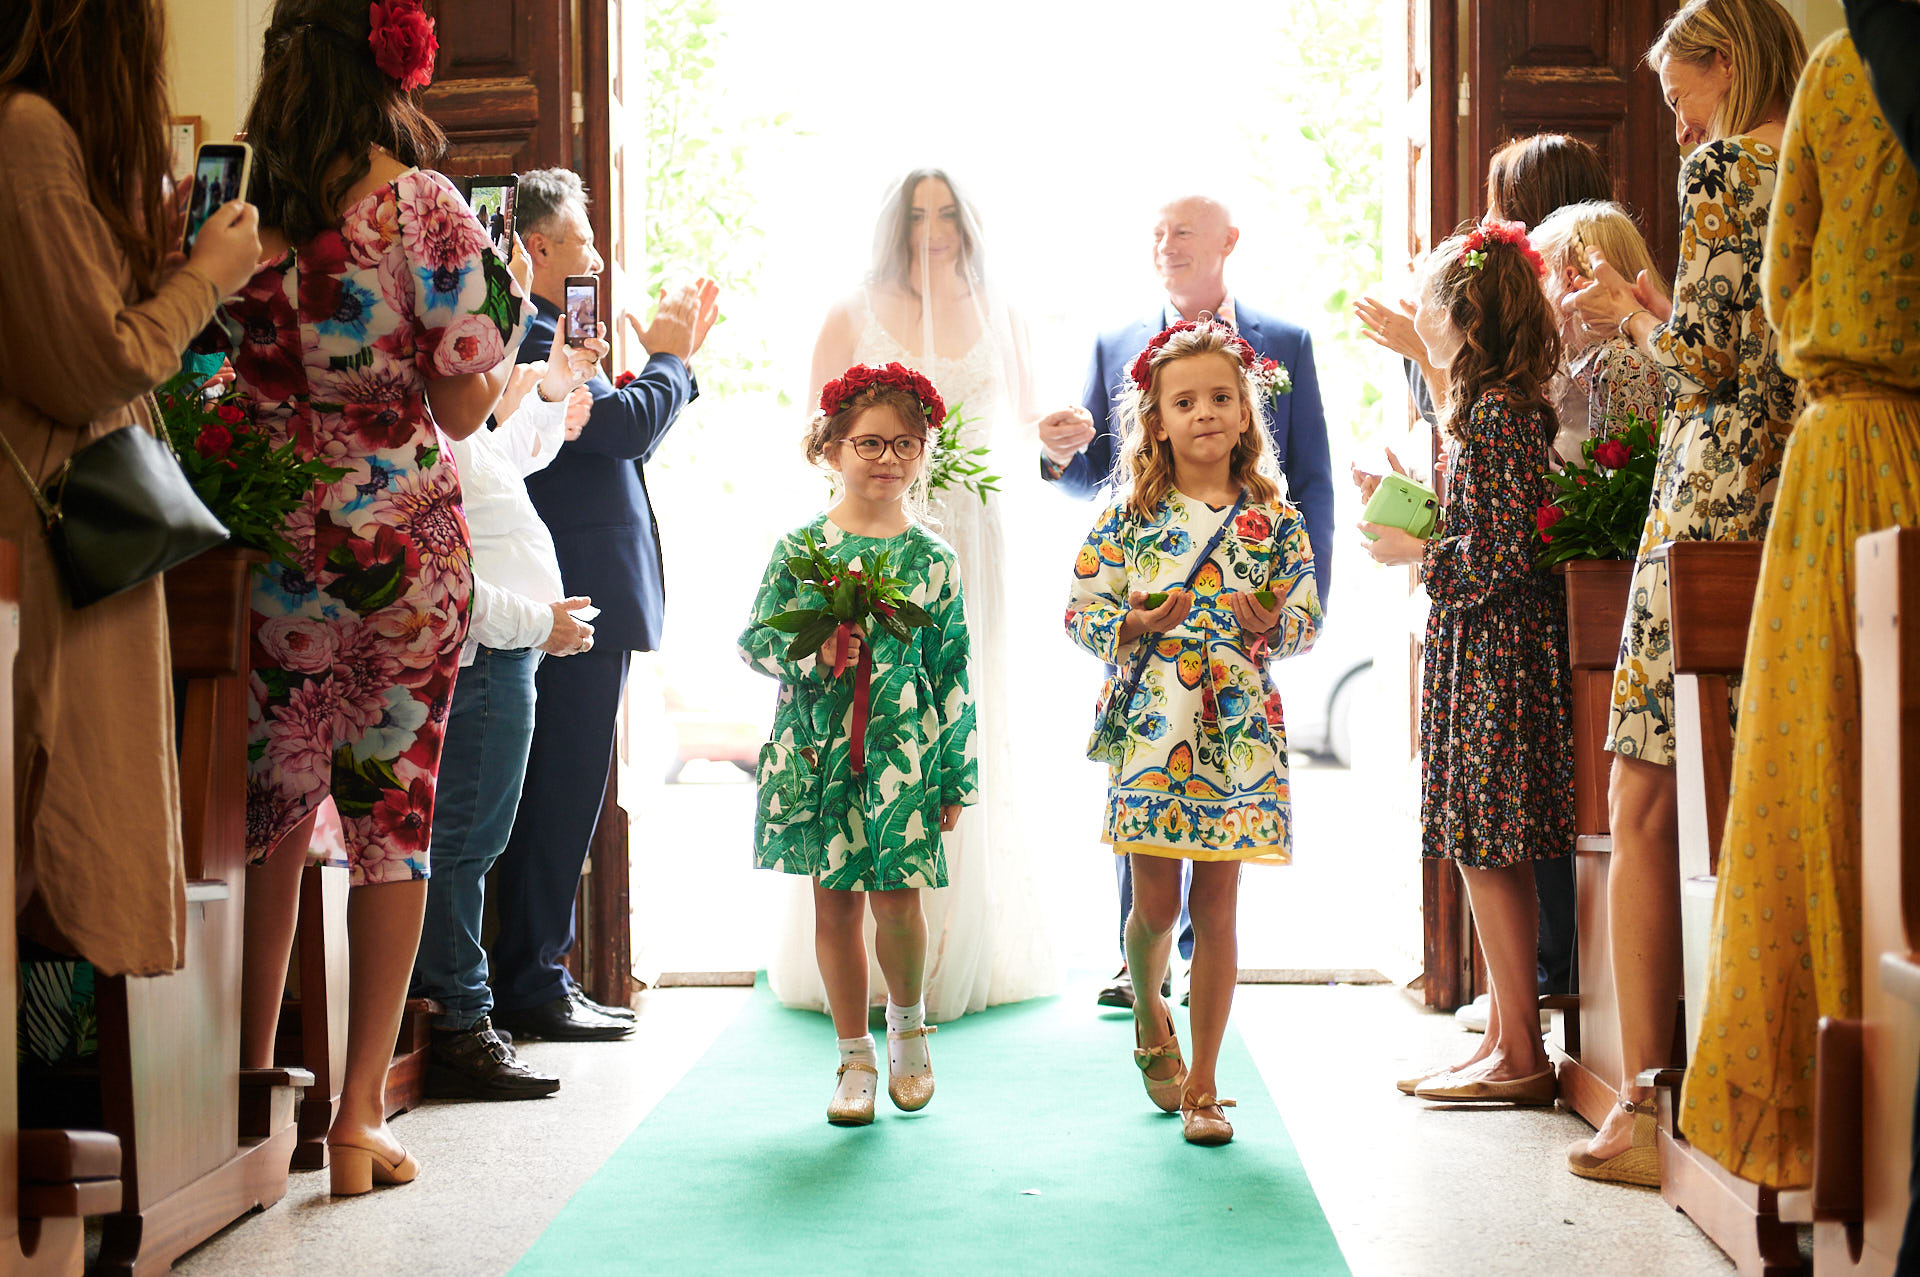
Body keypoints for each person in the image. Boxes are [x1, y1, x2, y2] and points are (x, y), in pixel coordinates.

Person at [214, 0, 535, 1197]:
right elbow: (459, 408)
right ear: (391, 67)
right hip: (399, 541)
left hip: (269, 532)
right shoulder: (426, 210)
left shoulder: (241, 203)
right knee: (393, 824)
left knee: (271, 815)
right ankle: (353, 1119)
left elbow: (208, 354)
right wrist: (500, 329)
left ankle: (247, 1103)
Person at [1559, 0, 1804, 1185]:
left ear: (1724, 65)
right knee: (1759, 780)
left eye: (1677, 93)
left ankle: (1649, 1098)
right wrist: (1662, 313)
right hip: (1794, 483)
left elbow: (1704, 365)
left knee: (1644, 787)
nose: (1675, 119)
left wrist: (1626, 318)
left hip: (1709, 488)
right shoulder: (1814, 160)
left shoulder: (1724, 169)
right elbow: (1761, 348)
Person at [1677, 29, 1920, 1193]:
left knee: (1818, 767)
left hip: (1850, 450)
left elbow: (1782, 282)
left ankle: (1825, 1114)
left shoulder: (1843, 65)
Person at [0, 0, 261, 978]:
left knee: (54, 822)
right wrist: (203, 277)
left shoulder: (41, 136)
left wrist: (156, 264)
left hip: (80, 536)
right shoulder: (27, 132)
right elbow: (89, 366)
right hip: (56, 538)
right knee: (48, 810)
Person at [1044, 194, 1334, 1009]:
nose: (1166, 245)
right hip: (1153, 679)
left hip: (1238, 668)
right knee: (1150, 864)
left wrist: (1295, 614)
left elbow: (1307, 482)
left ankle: (1200, 1027)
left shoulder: (1288, 344)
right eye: (1157, 233)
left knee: (1219, 891)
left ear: (1227, 243)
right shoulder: (1114, 344)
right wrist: (1054, 453)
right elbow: (1101, 473)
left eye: (1183, 232)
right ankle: (1141, 972)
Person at [790, 168, 1060, 1022]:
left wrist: (1050, 439)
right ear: (893, 222)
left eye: (947, 213)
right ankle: (859, 952)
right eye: (917, 213)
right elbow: (815, 435)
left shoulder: (1004, 313)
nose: (933, 228)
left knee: (954, 704)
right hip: (873, 537)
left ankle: (955, 944)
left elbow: (1026, 430)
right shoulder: (848, 312)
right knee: (868, 718)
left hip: (970, 538)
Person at [1065, 320, 1321, 1146]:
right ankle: (1149, 1009)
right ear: (1158, 419)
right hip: (1150, 726)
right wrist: (1135, 623)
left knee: (1217, 906)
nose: (1205, 412)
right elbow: (1080, 609)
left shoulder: (1275, 520)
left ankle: (1205, 1084)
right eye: (1186, 401)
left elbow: (1305, 619)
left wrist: (1270, 620)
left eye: (1220, 397)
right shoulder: (1128, 516)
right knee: (1154, 905)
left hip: (1236, 733)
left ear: (1246, 413)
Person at [487, 167, 718, 1043]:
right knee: (558, 787)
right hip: (566, 590)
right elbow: (622, 425)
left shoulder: (557, 333)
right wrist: (674, 360)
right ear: (537, 248)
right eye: (584, 241)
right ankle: (532, 982)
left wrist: (665, 366)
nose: (600, 256)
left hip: (580, 588)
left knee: (570, 786)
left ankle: (542, 970)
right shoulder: (531, 333)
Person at [1362, 219, 1573, 1106]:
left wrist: (1417, 545)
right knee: (1490, 845)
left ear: (1467, 316)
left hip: (1496, 653)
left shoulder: (1493, 415)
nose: (1419, 313)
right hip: (1491, 648)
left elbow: (1493, 555)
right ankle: (1501, 1034)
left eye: (1432, 299)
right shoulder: (1502, 407)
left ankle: (1519, 1048)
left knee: (1492, 845)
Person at [739, 363, 977, 1126]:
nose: (887, 459)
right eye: (869, 442)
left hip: (903, 747)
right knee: (834, 905)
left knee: (899, 902)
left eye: (905, 445)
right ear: (831, 447)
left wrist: (953, 776)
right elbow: (754, 639)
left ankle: (908, 1029)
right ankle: (853, 1056)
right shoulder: (800, 547)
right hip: (817, 749)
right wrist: (813, 653)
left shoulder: (934, 559)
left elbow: (953, 671)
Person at [410, 331, 605, 1101]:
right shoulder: (423, 437)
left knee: (470, 842)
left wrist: (552, 388)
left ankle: (461, 1011)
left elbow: (510, 457)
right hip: (487, 657)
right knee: (465, 843)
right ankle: (460, 1021)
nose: (498, 373)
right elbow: (451, 587)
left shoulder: (457, 433)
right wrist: (541, 625)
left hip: (507, 654)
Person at [1532, 201, 1667, 438]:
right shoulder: (1583, 360)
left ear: (1569, 279)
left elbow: (1626, 474)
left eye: (1540, 279)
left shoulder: (1622, 363)